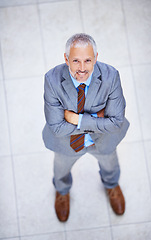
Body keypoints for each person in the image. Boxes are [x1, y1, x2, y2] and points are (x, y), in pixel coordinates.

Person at [42, 33, 129, 222]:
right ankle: (62, 191)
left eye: (88, 60)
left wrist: (76, 119)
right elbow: (57, 128)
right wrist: (98, 119)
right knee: (61, 170)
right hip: (67, 143)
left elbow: (116, 122)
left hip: (102, 141)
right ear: (66, 59)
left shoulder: (111, 76)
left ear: (96, 58)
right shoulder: (52, 79)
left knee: (110, 165)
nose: (82, 69)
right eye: (76, 61)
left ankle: (111, 184)